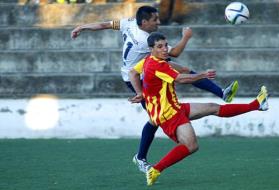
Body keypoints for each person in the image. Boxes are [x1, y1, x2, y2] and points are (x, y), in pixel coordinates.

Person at [71, 6, 239, 173]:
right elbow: (175, 52)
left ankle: (222, 93)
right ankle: (141, 157)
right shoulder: (146, 40)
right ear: (144, 22)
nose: (158, 22)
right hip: (139, 77)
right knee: (155, 118)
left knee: (185, 71)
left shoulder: (129, 23)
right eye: (155, 20)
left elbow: (104, 25)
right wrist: (186, 37)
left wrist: (81, 27)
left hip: (145, 67)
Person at [128, 32, 269, 186]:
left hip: (174, 107)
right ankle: (155, 170)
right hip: (169, 115)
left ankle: (257, 104)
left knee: (212, 108)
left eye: (166, 45)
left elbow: (133, 72)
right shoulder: (158, 65)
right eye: (159, 47)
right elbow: (181, 79)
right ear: (151, 49)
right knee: (191, 145)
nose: (164, 49)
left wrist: (140, 93)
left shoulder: (147, 60)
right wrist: (202, 75)